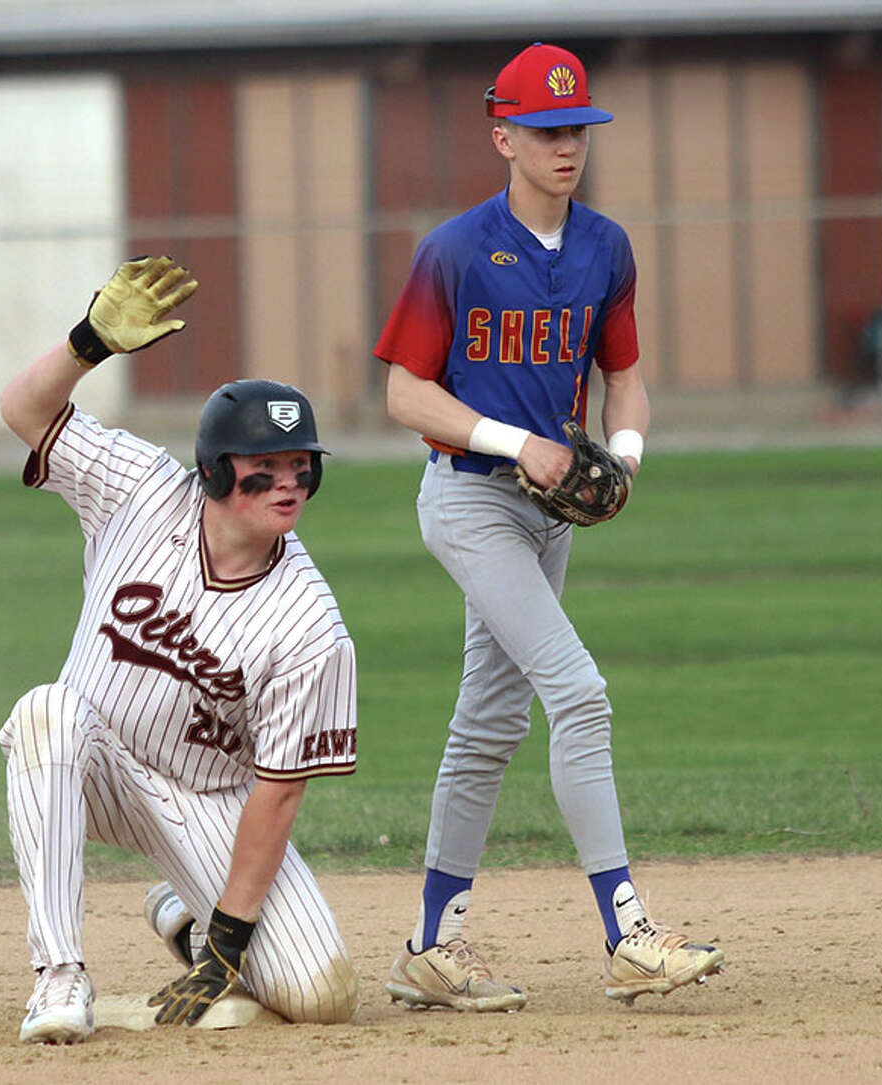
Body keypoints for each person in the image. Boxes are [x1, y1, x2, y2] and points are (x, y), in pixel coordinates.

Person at [373, 42, 724, 1010]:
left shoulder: (607, 247)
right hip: (470, 498)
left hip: (548, 512)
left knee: (489, 723)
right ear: (504, 137)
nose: (567, 145)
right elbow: (404, 391)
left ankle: (429, 948)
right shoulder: (453, 250)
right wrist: (514, 441)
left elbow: (626, 375)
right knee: (580, 691)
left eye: (577, 128)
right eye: (546, 129)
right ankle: (628, 933)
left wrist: (630, 455)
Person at [0, 255, 360, 1043]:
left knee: (321, 992)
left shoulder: (310, 621)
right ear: (213, 470)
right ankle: (60, 973)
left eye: (301, 468)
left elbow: (278, 792)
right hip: (89, 762)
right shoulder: (139, 488)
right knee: (46, 713)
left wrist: (226, 942)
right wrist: (87, 344)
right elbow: (23, 410)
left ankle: (186, 912)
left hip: (208, 801)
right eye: (264, 469)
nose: (287, 483)